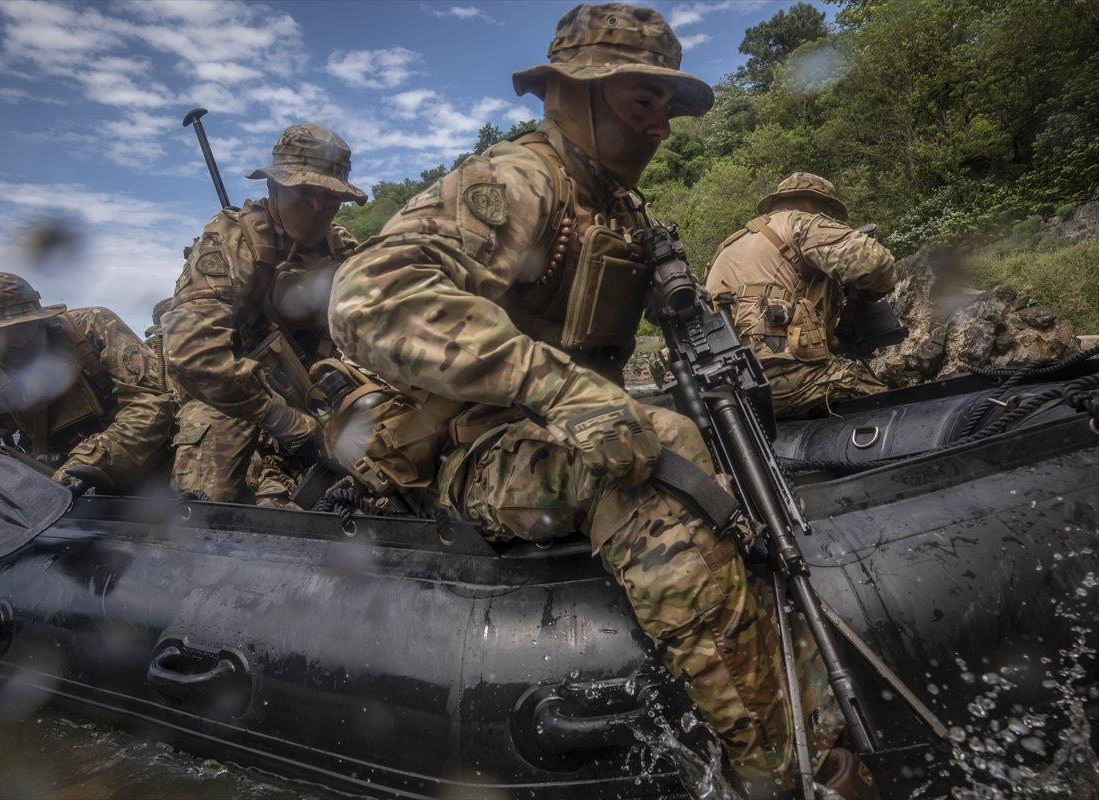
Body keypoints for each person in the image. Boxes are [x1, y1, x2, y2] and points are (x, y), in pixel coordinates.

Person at [327, 5, 876, 798]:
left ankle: (790, 693)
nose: (658, 126)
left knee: (710, 447)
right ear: (569, 95)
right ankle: (785, 773)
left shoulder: (621, 209)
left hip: (561, 435)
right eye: (639, 100)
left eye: (666, 107)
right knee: (659, 465)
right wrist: (556, 388)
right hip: (467, 449)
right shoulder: (516, 181)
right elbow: (368, 297)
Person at [161, 123, 364, 504]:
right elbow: (194, 354)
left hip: (318, 390)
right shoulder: (232, 239)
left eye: (330, 196)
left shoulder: (343, 250)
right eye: (305, 192)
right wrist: (279, 417)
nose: (319, 206)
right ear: (274, 187)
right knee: (210, 493)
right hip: (229, 395)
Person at [0, 272, 174, 492]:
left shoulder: (92, 328)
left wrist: (87, 462)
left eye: (22, 328)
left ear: (39, 319)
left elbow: (153, 402)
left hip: (149, 463)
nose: (15, 342)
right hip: (55, 489)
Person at [705, 173, 897, 417]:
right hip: (781, 375)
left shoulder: (728, 246)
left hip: (723, 385)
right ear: (820, 206)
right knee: (891, 404)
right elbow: (875, 265)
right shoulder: (802, 223)